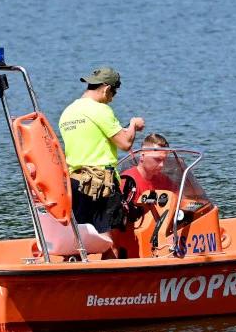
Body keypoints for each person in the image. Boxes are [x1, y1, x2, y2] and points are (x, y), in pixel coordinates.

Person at [58, 66, 145, 240]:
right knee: (107, 239)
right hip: (100, 185)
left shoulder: (67, 113)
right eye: (114, 93)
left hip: (75, 183)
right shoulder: (100, 110)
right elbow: (125, 143)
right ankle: (110, 266)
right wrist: (133, 125)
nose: (112, 99)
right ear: (106, 89)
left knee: (80, 239)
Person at [121, 133, 175, 204]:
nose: (162, 165)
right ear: (142, 156)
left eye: (164, 160)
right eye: (157, 159)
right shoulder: (127, 181)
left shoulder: (164, 180)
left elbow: (179, 198)